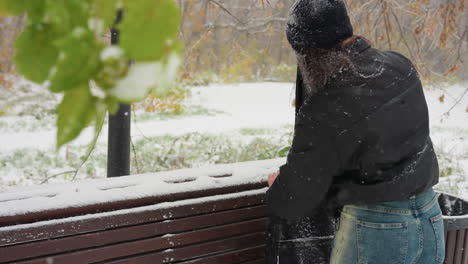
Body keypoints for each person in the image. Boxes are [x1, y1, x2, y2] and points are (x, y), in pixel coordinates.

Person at [265, 0, 445, 263]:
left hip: (377, 230)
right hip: (429, 217)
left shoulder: (326, 106)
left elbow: (296, 198)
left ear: (308, 54)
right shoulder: (399, 66)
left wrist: (278, 187)